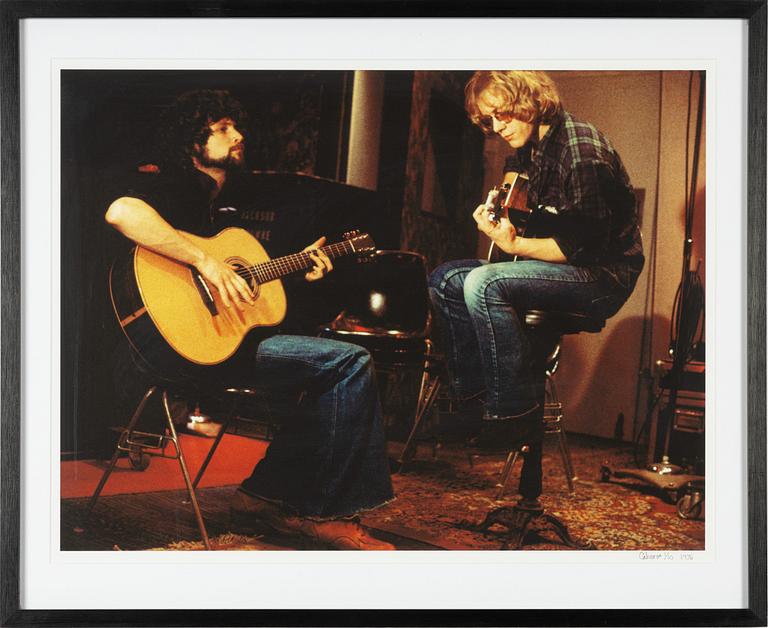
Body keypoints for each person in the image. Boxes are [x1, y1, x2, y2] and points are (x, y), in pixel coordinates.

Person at [105, 89, 394, 550]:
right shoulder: (178, 185)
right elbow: (122, 212)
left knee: (330, 365)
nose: (238, 135)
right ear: (191, 141)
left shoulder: (231, 202)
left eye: (235, 126)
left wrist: (304, 269)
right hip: (179, 350)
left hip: (225, 344)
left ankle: (264, 495)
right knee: (348, 362)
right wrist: (206, 261)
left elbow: (258, 293)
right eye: (221, 128)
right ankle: (325, 513)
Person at [428, 71, 644, 449]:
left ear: (528, 100)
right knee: (446, 279)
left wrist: (512, 245)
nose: (497, 127)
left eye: (503, 115)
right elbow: (522, 182)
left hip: (603, 276)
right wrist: (502, 210)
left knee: (484, 282)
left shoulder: (581, 152)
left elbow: (577, 247)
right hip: (570, 266)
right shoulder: (537, 144)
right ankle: (475, 400)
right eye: (490, 119)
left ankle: (512, 411)